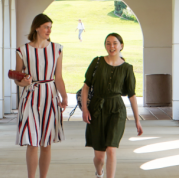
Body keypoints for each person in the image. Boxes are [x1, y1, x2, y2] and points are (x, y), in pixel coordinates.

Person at [81, 33, 143, 178]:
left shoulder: (127, 68)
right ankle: (99, 172)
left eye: (115, 43)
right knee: (100, 158)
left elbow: (132, 95)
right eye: (108, 43)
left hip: (117, 110)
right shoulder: (97, 62)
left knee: (111, 150)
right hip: (97, 110)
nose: (111, 46)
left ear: (121, 45)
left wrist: (137, 120)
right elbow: (86, 86)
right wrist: (85, 108)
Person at [15, 13, 68, 178]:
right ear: (36, 27)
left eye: (51, 27)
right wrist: (24, 82)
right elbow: (17, 79)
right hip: (30, 98)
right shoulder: (22, 50)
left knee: (46, 143)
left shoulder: (57, 49)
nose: (49, 30)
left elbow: (58, 77)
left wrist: (65, 97)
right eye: (46, 27)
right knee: (32, 142)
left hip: (50, 97)